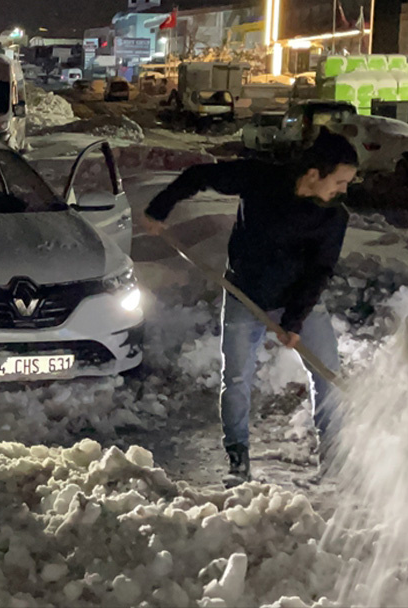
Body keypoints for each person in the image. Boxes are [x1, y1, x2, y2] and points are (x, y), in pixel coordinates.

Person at [141, 130, 359, 486]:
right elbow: (199, 176)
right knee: (238, 378)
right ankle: (238, 458)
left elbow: (320, 270)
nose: (343, 190)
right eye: (340, 181)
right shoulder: (262, 179)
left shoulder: (334, 217)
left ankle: (332, 462)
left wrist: (294, 320)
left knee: (326, 376)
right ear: (314, 173)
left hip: (298, 300)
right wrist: (158, 208)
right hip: (245, 296)